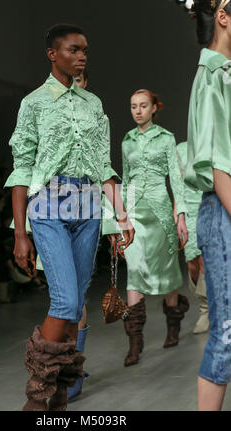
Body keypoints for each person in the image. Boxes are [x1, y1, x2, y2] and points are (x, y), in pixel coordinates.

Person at [4, 23, 135, 411]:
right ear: (53, 54)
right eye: (74, 50)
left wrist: (121, 218)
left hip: (88, 208)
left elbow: (103, 167)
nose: (82, 57)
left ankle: (61, 391)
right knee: (63, 302)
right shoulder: (34, 103)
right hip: (48, 207)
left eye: (85, 51)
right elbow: (22, 168)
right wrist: (20, 234)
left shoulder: (93, 104)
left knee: (77, 303)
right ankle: (38, 395)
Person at [104, 89, 189, 367]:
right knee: (135, 272)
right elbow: (125, 180)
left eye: (143, 106)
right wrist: (121, 217)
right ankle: (135, 341)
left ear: (154, 108)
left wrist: (181, 213)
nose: (138, 110)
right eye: (133, 106)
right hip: (135, 214)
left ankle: (173, 325)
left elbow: (176, 178)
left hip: (161, 211)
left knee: (168, 272)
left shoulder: (166, 138)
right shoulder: (127, 140)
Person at [185, 0, 231, 411]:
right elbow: (218, 164)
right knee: (227, 332)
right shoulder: (213, 74)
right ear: (223, 17)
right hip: (224, 210)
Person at [177, 142, 209, 334]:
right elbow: (176, 183)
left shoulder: (213, 144)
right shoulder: (180, 149)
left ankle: (207, 311)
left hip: (208, 204)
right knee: (192, 265)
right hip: (188, 211)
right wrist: (178, 211)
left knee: (206, 262)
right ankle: (204, 305)